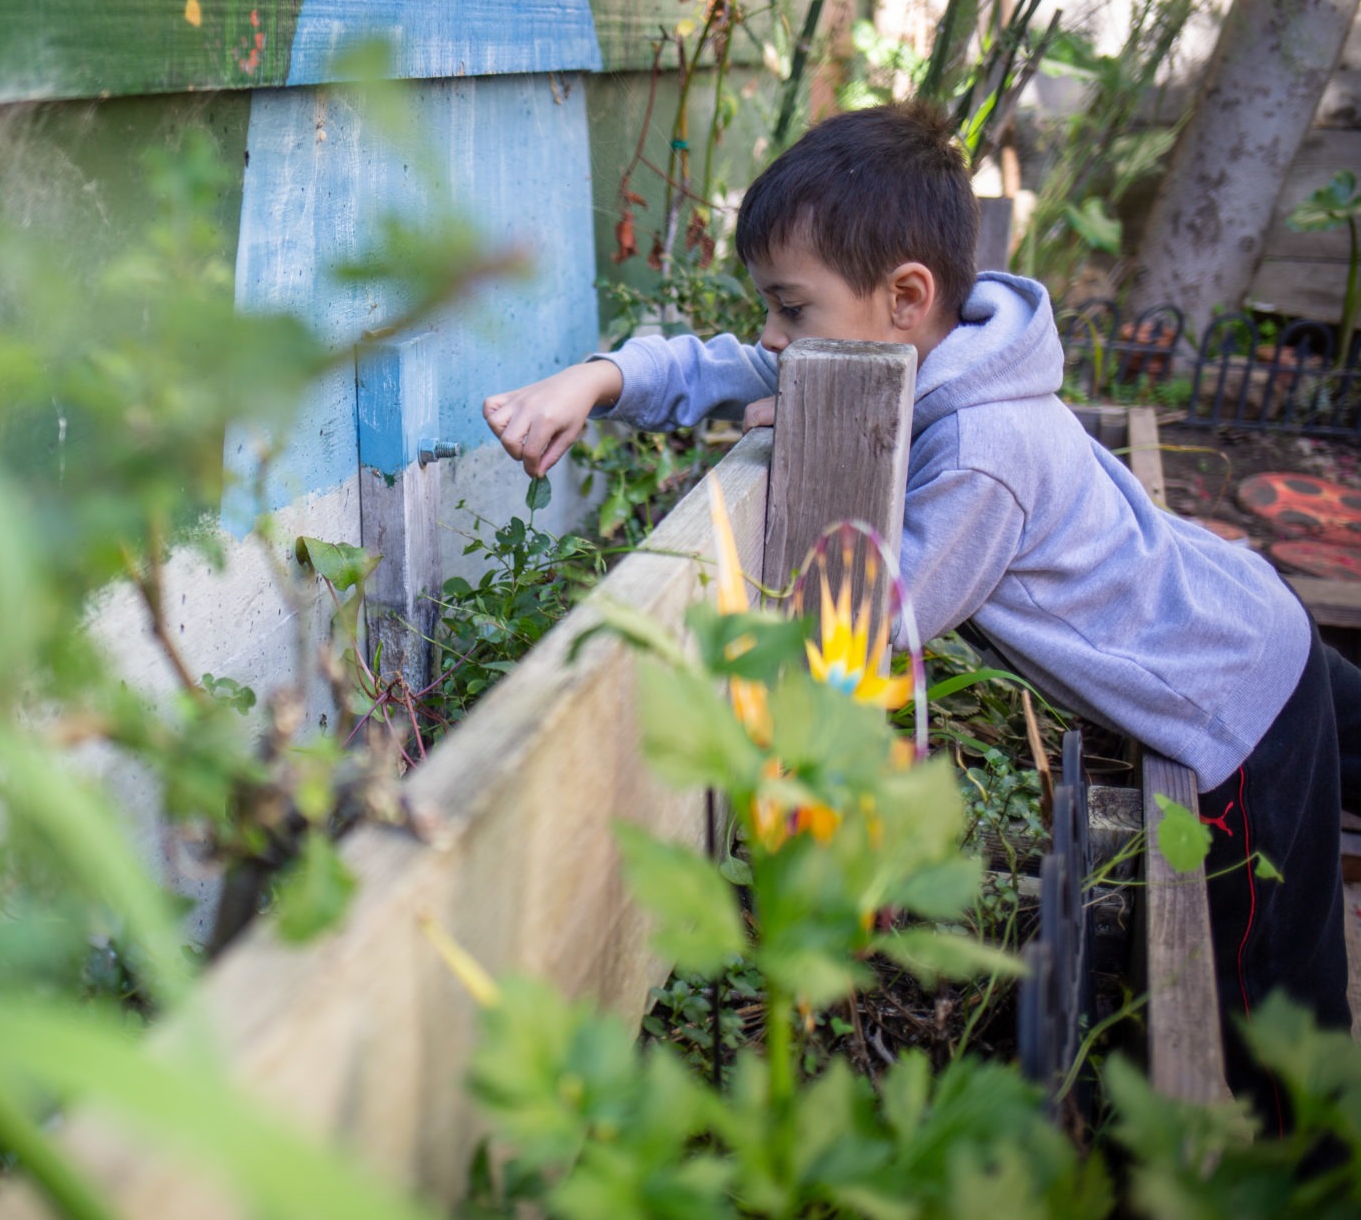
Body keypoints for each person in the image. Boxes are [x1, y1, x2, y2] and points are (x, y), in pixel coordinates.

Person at [482, 100, 1351, 1128]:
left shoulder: (984, 451)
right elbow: (731, 365)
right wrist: (599, 378)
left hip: (1229, 712)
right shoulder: (917, 351)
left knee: (1265, 1003)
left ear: (902, 296)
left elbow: (870, 628)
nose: (773, 334)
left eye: (788, 309)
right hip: (1250, 621)